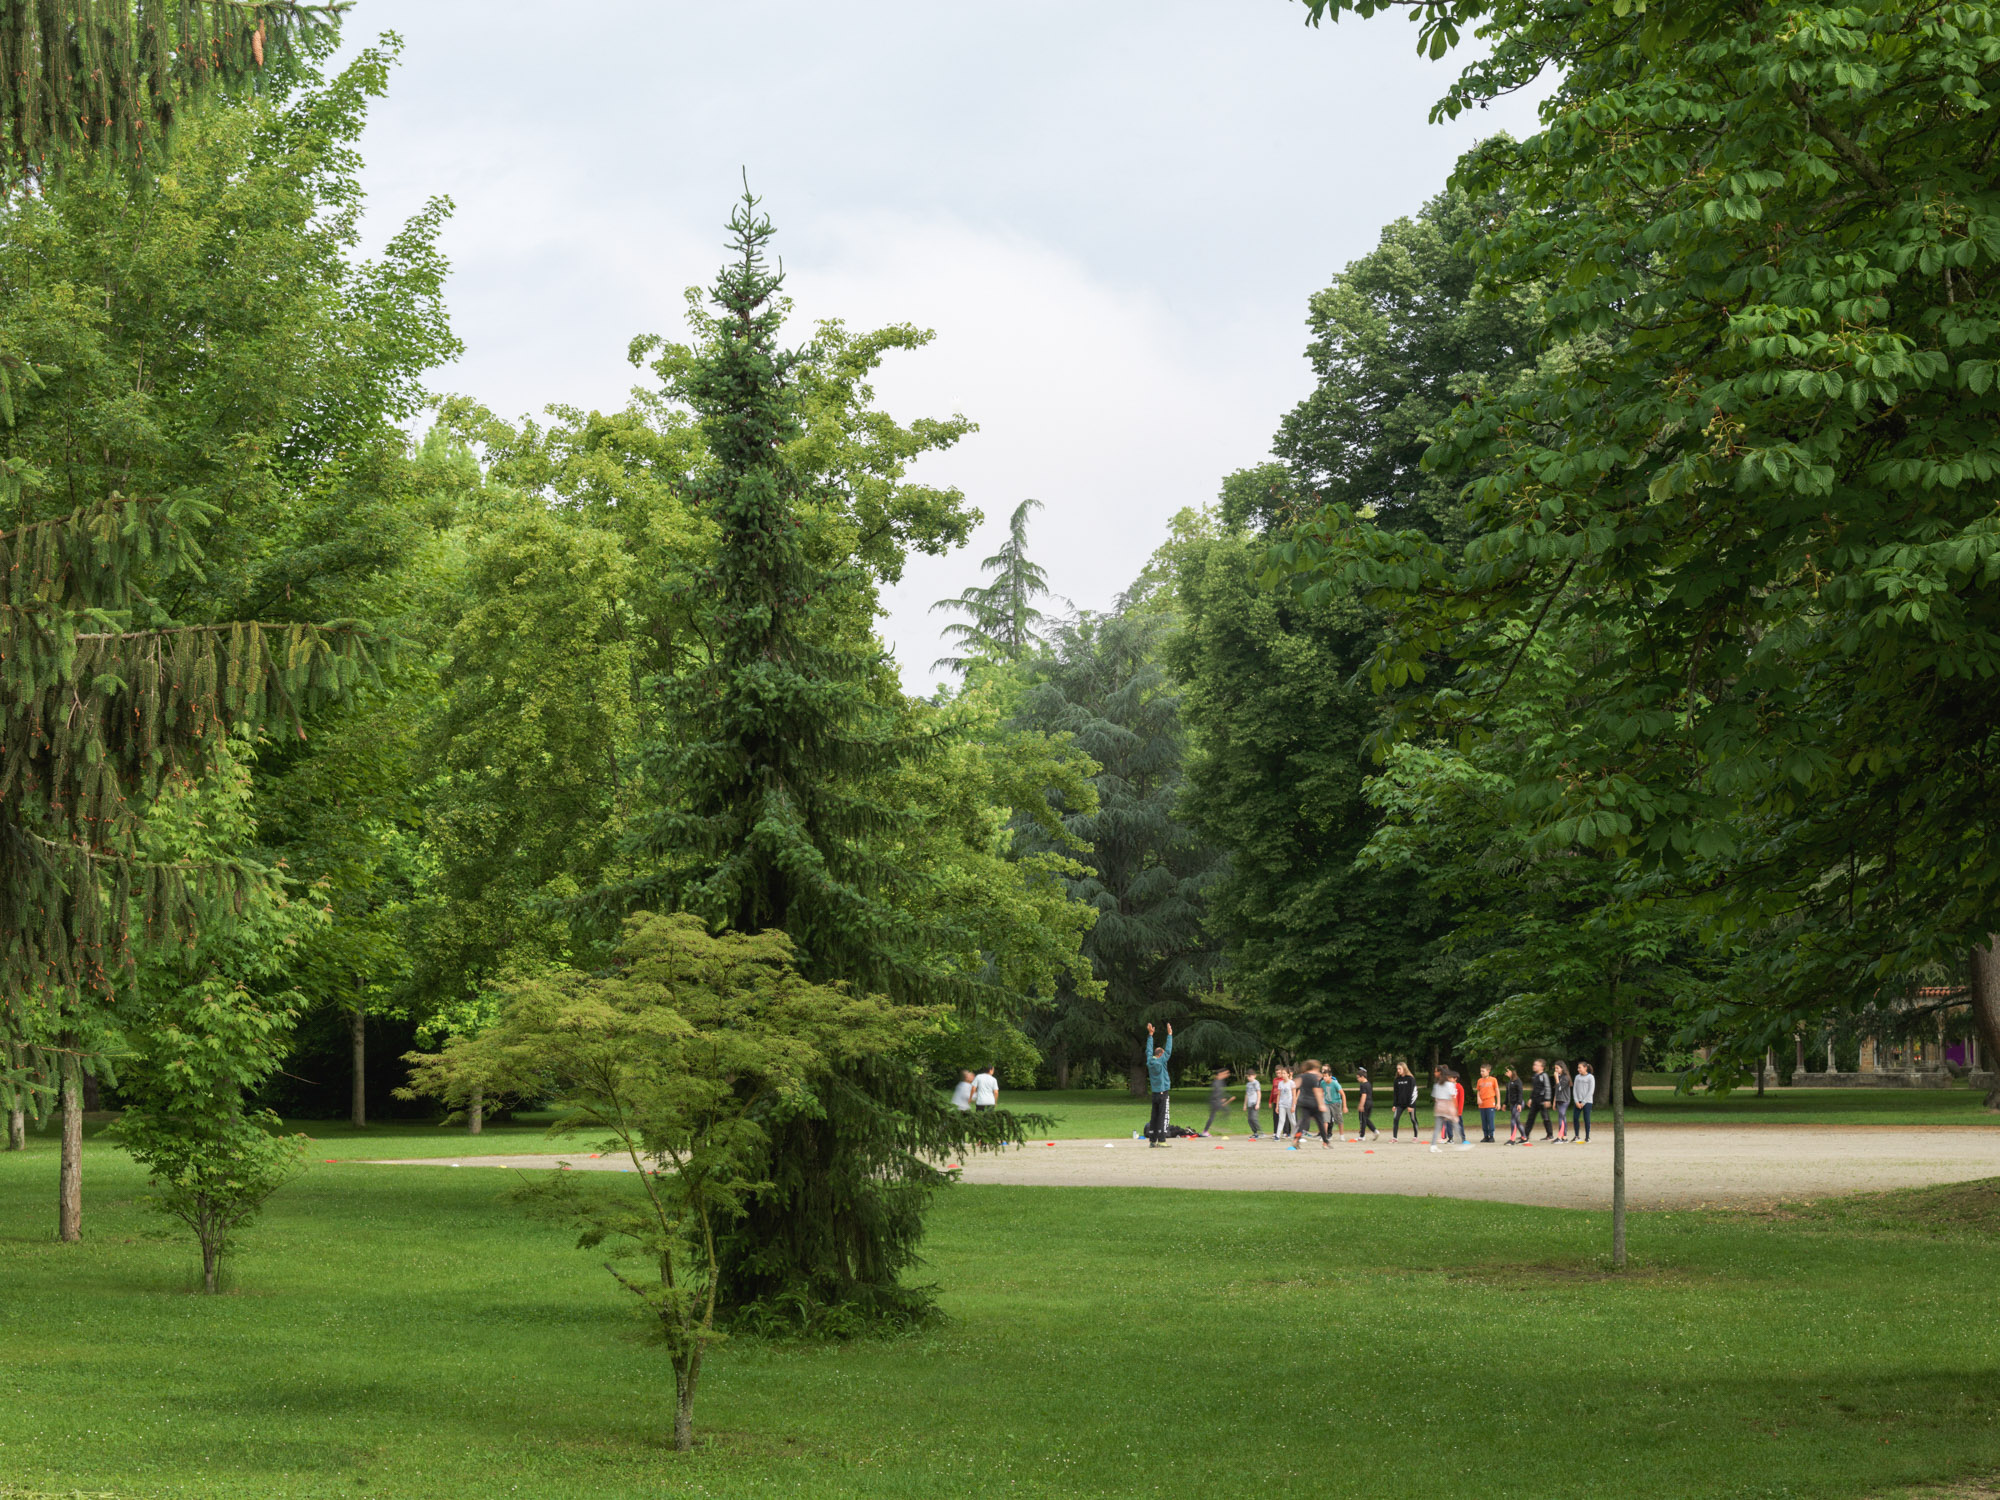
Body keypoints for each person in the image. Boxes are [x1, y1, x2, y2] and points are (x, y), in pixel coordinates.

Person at [1144, 1023, 1173, 1146]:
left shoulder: (1149, 1060)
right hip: (1163, 1092)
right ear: (1160, 1054)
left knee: (1154, 1116)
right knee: (1162, 1116)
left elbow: (1148, 1050)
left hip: (1155, 1092)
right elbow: (1169, 1050)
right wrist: (1169, 1035)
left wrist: (1150, 1035)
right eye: (1163, 1053)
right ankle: (1161, 1140)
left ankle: (1152, 1141)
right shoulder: (1161, 1061)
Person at [1294, 1061, 1330, 1147]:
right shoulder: (1313, 1077)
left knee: (1304, 1121)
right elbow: (1317, 1091)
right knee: (1320, 1122)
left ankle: (1296, 1138)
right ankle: (1325, 1142)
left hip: (1303, 1102)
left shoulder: (1302, 1076)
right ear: (1315, 1068)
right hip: (1313, 1103)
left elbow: (1295, 1084)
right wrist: (1321, 1104)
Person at [1523, 1059, 1555, 1141]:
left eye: (1536, 1065)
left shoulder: (1544, 1075)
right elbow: (1534, 1089)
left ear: (1542, 1067)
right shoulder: (1534, 1076)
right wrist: (1531, 1098)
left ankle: (1550, 1135)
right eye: (1534, 1064)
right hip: (1535, 1100)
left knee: (1545, 1117)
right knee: (1530, 1117)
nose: (1534, 1066)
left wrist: (1547, 1099)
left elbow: (1548, 1087)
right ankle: (1526, 1135)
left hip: (1542, 1100)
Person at [1429, 1068, 1457, 1152]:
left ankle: (1433, 1146)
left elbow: (1435, 1098)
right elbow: (1452, 1097)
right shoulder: (1450, 1084)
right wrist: (1454, 1109)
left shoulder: (1436, 1085)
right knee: (1456, 1123)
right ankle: (1460, 1142)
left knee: (1437, 1127)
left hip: (1439, 1106)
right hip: (1447, 1106)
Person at [1391, 1062, 1421, 1140]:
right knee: (1395, 1118)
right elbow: (1395, 1093)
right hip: (1400, 1104)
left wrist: (1411, 1105)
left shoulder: (1411, 1079)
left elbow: (1414, 1093)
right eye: (1397, 1069)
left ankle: (1415, 1136)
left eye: (1399, 1069)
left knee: (1413, 1119)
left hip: (1410, 1104)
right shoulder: (1397, 1080)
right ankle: (1394, 1138)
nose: (1398, 1070)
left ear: (1404, 1068)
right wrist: (1394, 1105)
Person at [1203, 1067, 1234, 1134]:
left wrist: (1225, 1097)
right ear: (1220, 1074)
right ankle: (1213, 1127)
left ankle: (1205, 1131)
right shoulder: (1216, 1082)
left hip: (1216, 1101)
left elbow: (1222, 1092)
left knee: (1214, 1116)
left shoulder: (1221, 1082)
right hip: (1215, 1102)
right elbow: (1215, 1093)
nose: (1227, 1074)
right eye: (1225, 1073)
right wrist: (1221, 1099)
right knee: (1226, 1111)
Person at [1474, 1064, 1499, 1144]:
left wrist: (1498, 1103)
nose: (1481, 1073)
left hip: (1490, 1103)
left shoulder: (1493, 1080)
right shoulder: (1479, 1080)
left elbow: (1497, 1091)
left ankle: (1491, 1136)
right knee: (1484, 1121)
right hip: (1482, 1104)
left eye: (1483, 1071)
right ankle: (1486, 1136)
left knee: (1490, 1120)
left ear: (1488, 1071)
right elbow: (1478, 1091)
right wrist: (1478, 1098)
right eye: (1481, 1071)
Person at [1572, 1061, 1595, 1142]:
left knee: (1586, 1119)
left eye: (1580, 1067)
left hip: (1587, 1102)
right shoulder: (1577, 1077)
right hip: (1578, 1102)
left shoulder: (1590, 1077)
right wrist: (1576, 1101)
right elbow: (1574, 1089)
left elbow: (1591, 1091)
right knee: (1575, 1118)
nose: (1578, 1069)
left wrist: (1583, 1102)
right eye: (1578, 1068)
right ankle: (1577, 1136)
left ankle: (1587, 1137)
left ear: (1585, 1068)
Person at [1354, 1066, 1378, 1141]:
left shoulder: (1363, 1085)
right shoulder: (1368, 1084)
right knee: (1366, 1119)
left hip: (1365, 1103)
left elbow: (1364, 1095)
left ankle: (1362, 1136)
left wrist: (1361, 1105)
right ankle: (1375, 1131)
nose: (1357, 1079)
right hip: (1370, 1102)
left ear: (1362, 1077)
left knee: (1362, 1119)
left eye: (1358, 1077)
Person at [1274, 1067, 1296, 1142]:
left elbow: (1294, 1095)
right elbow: (1279, 1095)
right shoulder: (1280, 1083)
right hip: (1282, 1104)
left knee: (1292, 1121)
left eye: (1284, 1073)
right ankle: (1277, 1136)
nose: (1282, 1075)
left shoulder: (1291, 1083)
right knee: (1281, 1120)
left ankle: (1294, 1135)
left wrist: (1293, 1106)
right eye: (1282, 1073)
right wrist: (1277, 1106)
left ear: (1288, 1074)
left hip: (1290, 1104)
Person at [1325, 1065, 1346, 1141]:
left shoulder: (1335, 1083)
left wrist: (1344, 1106)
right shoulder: (1322, 1083)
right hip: (1326, 1103)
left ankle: (1342, 1135)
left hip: (1336, 1103)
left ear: (1330, 1076)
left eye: (1326, 1076)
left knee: (1339, 1120)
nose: (1324, 1078)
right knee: (1325, 1119)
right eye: (1323, 1076)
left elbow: (1342, 1094)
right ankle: (1324, 1136)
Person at [1504, 1067, 1525, 1144]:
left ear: (1512, 1071)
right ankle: (1524, 1137)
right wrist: (1505, 1103)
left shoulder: (1518, 1081)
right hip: (1512, 1104)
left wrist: (1519, 1104)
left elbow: (1520, 1093)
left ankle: (1512, 1139)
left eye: (1508, 1071)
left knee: (1513, 1120)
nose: (1506, 1072)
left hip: (1518, 1103)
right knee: (1517, 1121)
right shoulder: (1509, 1082)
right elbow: (1507, 1094)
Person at [1552, 1062, 1571, 1141]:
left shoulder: (1565, 1078)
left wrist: (1556, 1078)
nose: (1556, 1070)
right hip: (1559, 1099)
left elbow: (1559, 1088)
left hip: (1564, 1100)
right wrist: (1554, 1101)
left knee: (1561, 1117)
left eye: (1557, 1068)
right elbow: (1557, 1090)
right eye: (1555, 1068)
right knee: (1563, 1117)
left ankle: (1559, 1137)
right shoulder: (1559, 1077)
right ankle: (1564, 1137)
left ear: (1562, 1068)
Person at [1244, 1069, 1263, 1139]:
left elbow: (1259, 1093)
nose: (1248, 1078)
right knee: (1249, 1119)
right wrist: (1245, 1105)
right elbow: (1246, 1095)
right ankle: (1255, 1133)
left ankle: (1261, 1133)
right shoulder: (1248, 1084)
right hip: (1249, 1104)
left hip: (1255, 1103)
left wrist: (1258, 1103)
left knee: (1253, 1118)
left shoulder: (1256, 1083)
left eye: (1250, 1076)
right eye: (1247, 1076)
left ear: (1254, 1076)